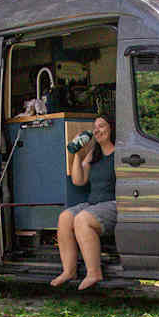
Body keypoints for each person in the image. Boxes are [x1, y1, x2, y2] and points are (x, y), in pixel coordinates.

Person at [51, 115, 116, 290]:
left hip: (114, 204)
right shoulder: (93, 154)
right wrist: (77, 154)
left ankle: (94, 273)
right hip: (94, 204)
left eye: (102, 126)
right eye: (95, 127)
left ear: (112, 128)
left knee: (82, 219)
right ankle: (69, 271)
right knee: (65, 217)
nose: (97, 130)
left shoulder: (119, 153)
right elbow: (78, 180)